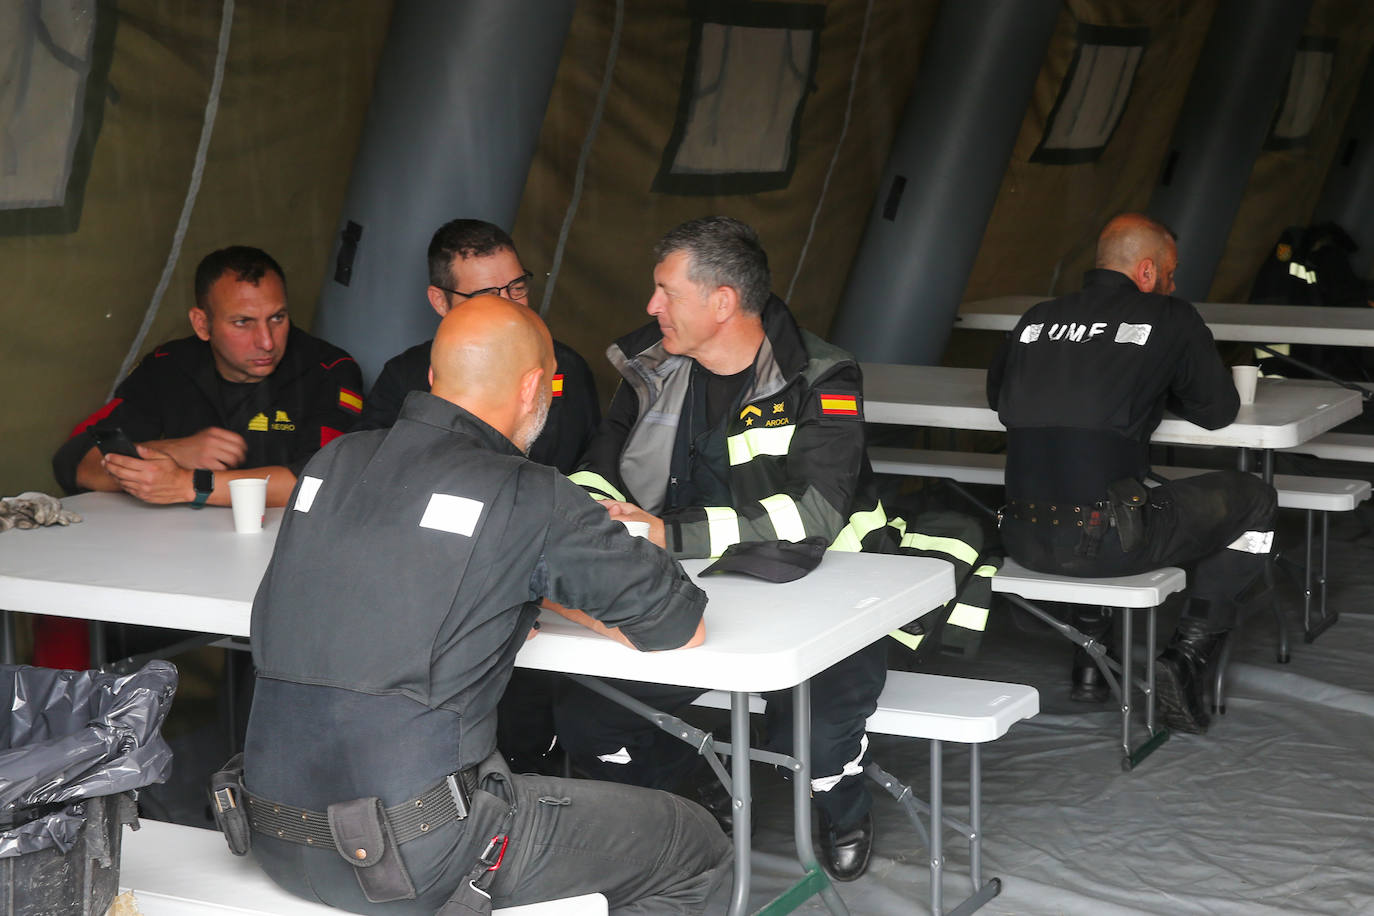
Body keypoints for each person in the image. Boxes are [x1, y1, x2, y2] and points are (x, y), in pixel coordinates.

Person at [241, 296, 730, 914]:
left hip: (273, 833)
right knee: (695, 844)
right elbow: (677, 626)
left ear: (433, 379)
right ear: (533, 386)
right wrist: (539, 578)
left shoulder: (332, 464)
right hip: (418, 855)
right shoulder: (525, 493)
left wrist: (516, 579)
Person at [558, 216, 902, 882]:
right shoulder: (648, 365)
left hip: (831, 591)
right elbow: (599, 462)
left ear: (721, 304)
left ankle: (842, 804)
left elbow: (819, 512)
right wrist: (596, 511)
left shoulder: (821, 374)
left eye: (666, 292)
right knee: (588, 717)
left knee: (811, 738)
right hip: (692, 592)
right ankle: (695, 794)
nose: (651, 307)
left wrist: (669, 534)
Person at [987, 213, 1277, 734]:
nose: (1172, 283)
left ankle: (1091, 662)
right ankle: (1188, 654)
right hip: (1110, 543)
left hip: (1020, 535)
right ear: (1147, 271)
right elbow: (1217, 411)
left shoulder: (1035, 318)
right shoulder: (1169, 316)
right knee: (1255, 499)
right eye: (1170, 272)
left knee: (1113, 493)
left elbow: (998, 398)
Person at [53, 246, 363, 509]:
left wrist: (190, 484)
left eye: (277, 318)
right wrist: (173, 451)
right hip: (174, 551)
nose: (267, 341)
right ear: (202, 324)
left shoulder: (328, 369)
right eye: (243, 322)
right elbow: (76, 462)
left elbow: (324, 482)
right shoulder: (169, 366)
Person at [357, 218, 599, 474]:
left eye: (517, 287)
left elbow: (591, 466)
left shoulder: (564, 367)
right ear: (440, 301)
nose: (510, 306)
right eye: (486, 296)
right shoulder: (404, 374)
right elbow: (369, 468)